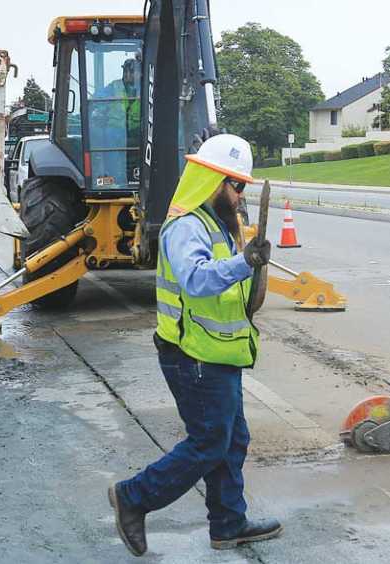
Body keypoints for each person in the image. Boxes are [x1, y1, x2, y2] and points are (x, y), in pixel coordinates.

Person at [108, 134, 281, 556]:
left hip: (216, 350)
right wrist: (246, 262)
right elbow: (197, 279)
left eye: (243, 187)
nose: (241, 196)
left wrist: (251, 262)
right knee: (209, 443)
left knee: (231, 439)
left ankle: (227, 524)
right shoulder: (188, 225)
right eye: (236, 186)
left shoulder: (217, 223)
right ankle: (134, 496)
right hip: (193, 356)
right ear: (213, 180)